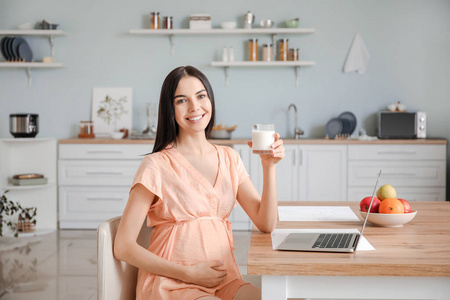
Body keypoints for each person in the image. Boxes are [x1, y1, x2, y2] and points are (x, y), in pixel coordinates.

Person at [114, 66, 285, 300]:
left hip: (225, 281)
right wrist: (188, 273)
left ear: (210, 100)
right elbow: (123, 246)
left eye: (201, 96)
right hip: (173, 284)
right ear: (169, 109)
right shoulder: (156, 165)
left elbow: (266, 223)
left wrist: (269, 166)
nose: (195, 107)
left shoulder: (229, 158)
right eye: (181, 100)